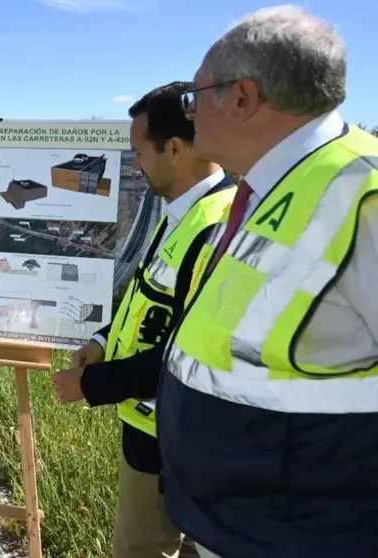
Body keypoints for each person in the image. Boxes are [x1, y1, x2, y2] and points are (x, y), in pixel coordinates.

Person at [156, 5, 378, 557]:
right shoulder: (273, 186)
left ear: (241, 97)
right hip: (239, 522)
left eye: (193, 97)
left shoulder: (362, 192)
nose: (189, 114)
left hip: (303, 534)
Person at [52, 81, 234, 558]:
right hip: (158, 431)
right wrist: (101, 338)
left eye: (138, 152)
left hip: (177, 437)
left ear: (174, 148)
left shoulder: (216, 227)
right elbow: (145, 300)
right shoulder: (183, 214)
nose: (135, 164)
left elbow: (187, 352)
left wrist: (89, 386)